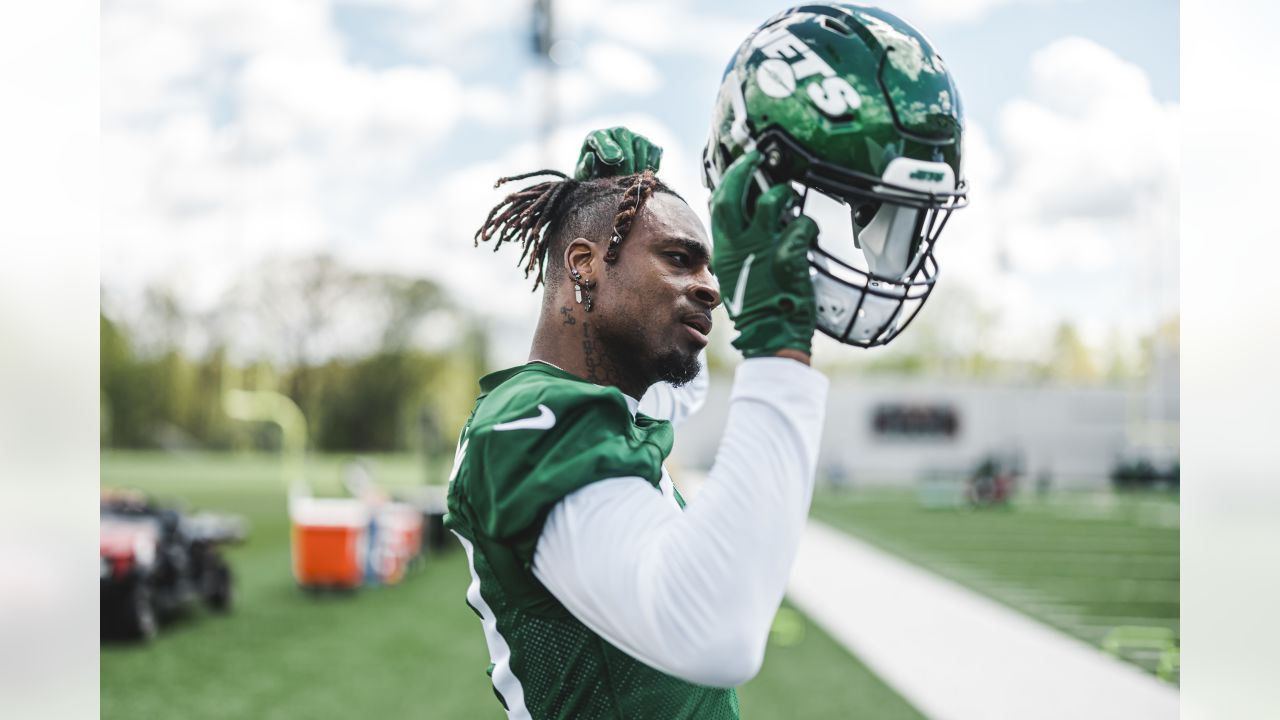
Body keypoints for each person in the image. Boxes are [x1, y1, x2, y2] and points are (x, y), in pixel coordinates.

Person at [443, 126, 827, 718]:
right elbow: (716, 632)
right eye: (679, 258)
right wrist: (779, 350)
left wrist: (606, 197)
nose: (711, 289)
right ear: (583, 265)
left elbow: (683, 385)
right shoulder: (529, 419)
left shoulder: (611, 400)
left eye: (711, 268)